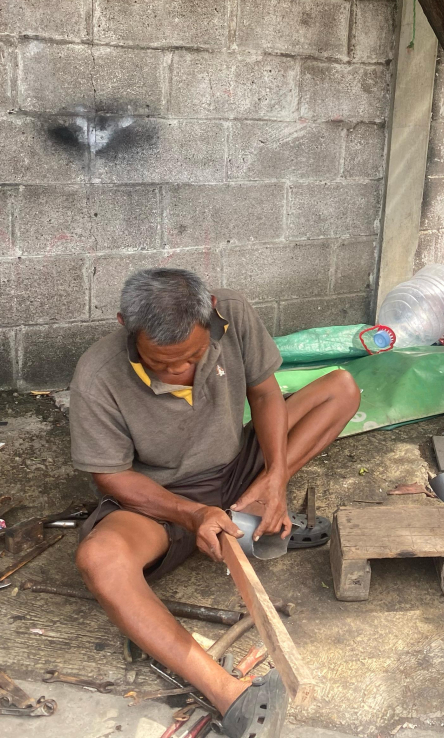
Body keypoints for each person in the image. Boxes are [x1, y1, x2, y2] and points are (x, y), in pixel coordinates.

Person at [70, 269, 359, 736]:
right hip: (162, 501)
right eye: (162, 363)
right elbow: (111, 476)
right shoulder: (97, 375)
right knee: (99, 559)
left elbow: (265, 393)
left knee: (341, 389)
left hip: (237, 468)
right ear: (126, 326)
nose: (180, 372)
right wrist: (194, 514)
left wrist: (275, 479)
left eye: (193, 356)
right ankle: (231, 696)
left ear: (213, 318)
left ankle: (254, 513)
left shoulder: (233, 313)